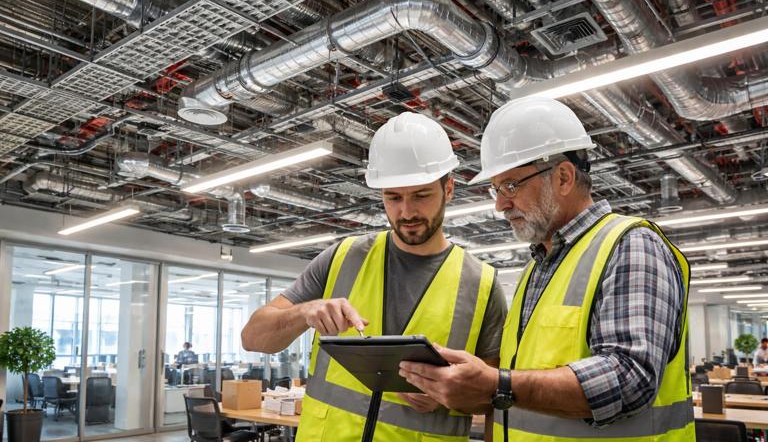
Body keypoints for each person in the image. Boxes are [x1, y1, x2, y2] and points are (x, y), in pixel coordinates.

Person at [399, 97, 694, 441]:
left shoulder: (631, 245)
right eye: (496, 189)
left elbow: (630, 379)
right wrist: (468, 388)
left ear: (564, 177)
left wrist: (497, 384)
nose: (500, 205)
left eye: (511, 185)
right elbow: (518, 390)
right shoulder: (537, 268)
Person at [241, 112, 507, 441]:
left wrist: (450, 395)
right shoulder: (343, 258)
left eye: (421, 195)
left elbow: (494, 395)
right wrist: (304, 312)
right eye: (393, 197)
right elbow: (253, 338)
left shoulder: (481, 284)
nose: (406, 212)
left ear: (448, 189)